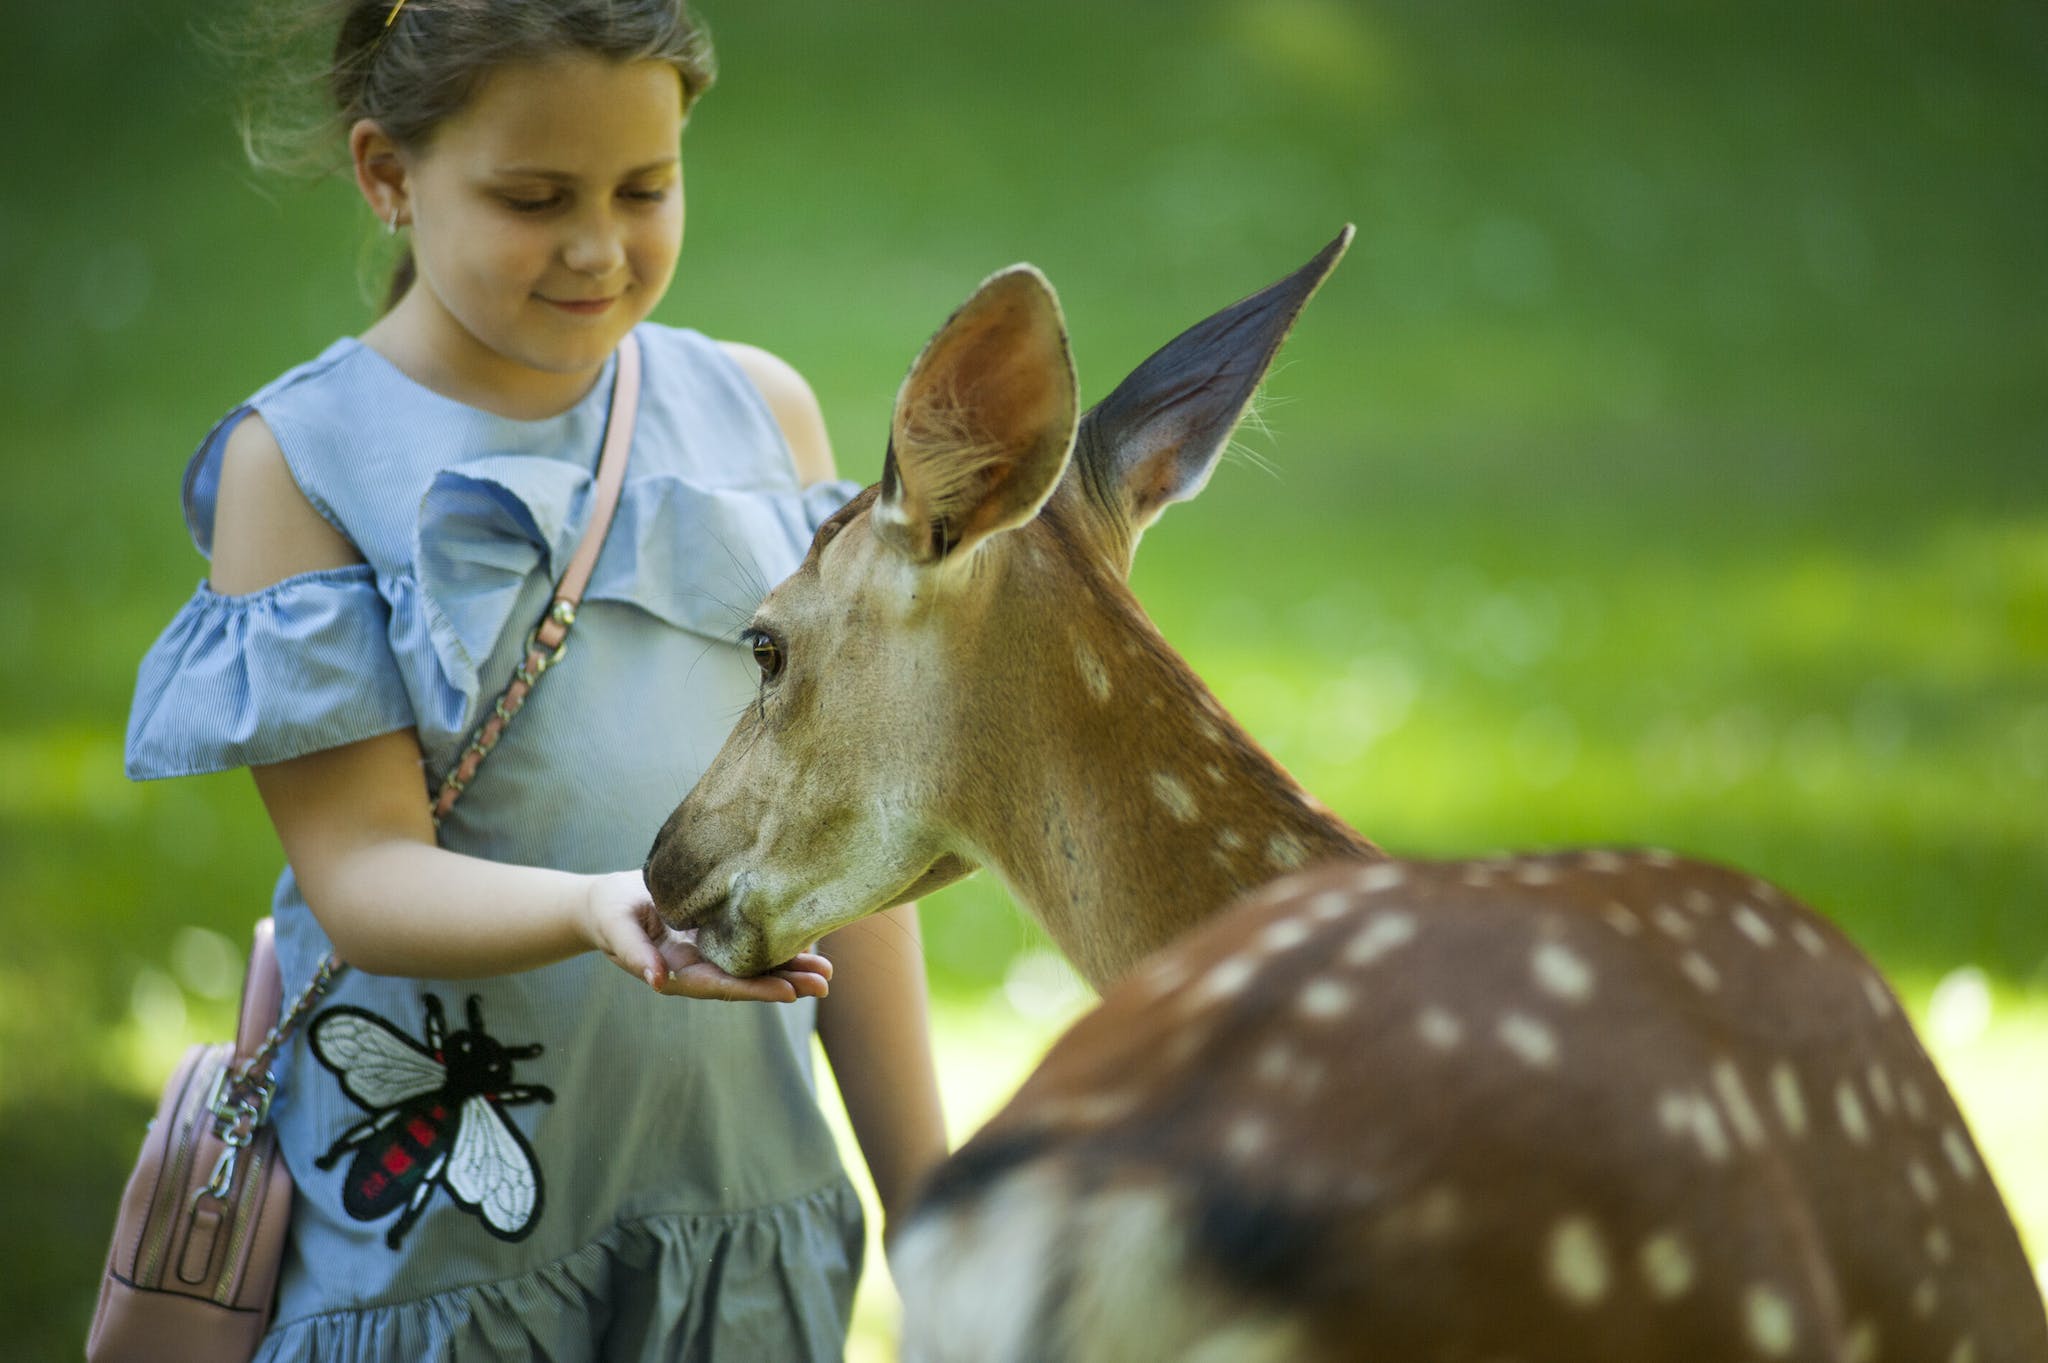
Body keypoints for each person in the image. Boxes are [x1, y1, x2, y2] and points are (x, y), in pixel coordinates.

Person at [123, 1, 947, 1357]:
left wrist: (931, 1216)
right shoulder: (304, 461)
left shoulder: (761, 414)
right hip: (447, 1259)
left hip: (734, 1213)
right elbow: (364, 877)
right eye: (532, 197)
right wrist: (592, 906)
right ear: (388, 173)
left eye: (646, 189)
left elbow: (848, 859)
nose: (597, 247)